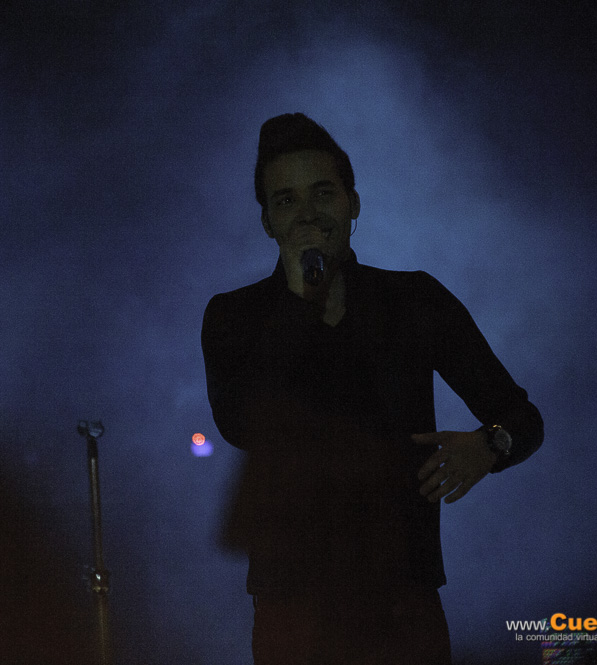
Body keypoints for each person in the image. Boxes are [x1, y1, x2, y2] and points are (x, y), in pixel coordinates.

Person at [201, 113, 544, 664]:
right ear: (267, 222)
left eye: (323, 193)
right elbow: (241, 425)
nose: (308, 213)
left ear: (353, 203)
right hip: (292, 609)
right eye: (286, 200)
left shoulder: (413, 301)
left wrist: (490, 445)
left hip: (404, 604)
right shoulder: (234, 316)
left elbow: (522, 417)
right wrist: (299, 304)